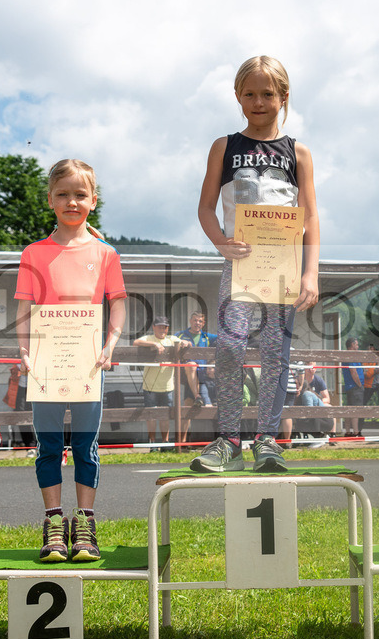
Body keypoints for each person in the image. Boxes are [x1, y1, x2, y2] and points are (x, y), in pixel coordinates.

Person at [189, 54, 320, 473]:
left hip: (282, 265)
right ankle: (228, 439)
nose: (258, 101)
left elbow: (311, 216)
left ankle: (267, 439)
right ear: (237, 96)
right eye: (250, 93)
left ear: (283, 96)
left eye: (268, 93)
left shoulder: (298, 152)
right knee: (228, 346)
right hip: (240, 265)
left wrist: (310, 272)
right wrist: (221, 243)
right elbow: (206, 208)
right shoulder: (224, 146)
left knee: (274, 352)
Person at [15, 158, 127, 563]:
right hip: (45, 365)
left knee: (85, 446)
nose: (71, 201)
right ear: (50, 200)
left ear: (93, 200)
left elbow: (117, 305)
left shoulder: (106, 254)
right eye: (63, 194)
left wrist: (110, 343)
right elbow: (25, 310)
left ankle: (85, 525)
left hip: (87, 366)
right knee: (47, 446)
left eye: (80, 194)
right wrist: (25, 349)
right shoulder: (34, 253)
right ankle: (53, 524)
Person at [133, 316, 191, 449]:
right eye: (159, 326)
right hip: (150, 386)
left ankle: (165, 443)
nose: (162, 329)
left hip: (167, 386)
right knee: (151, 416)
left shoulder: (172, 339)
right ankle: (152, 444)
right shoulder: (149, 338)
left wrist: (185, 344)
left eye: (164, 327)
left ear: (167, 328)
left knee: (165, 416)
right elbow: (135, 342)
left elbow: (188, 343)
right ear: (153, 327)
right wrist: (154, 344)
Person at [175, 311, 216, 443]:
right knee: (187, 409)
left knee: (188, 409)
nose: (197, 323)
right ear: (190, 321)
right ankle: (181, 442)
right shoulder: (182, 334)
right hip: (187, 377)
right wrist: (180, 341)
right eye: (195, 320)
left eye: (200, 321)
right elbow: (171, 339)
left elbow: (224, 339)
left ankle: (183, 442)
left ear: (203, 323)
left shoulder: (207, 337)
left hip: (203, 377)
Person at [294, 362, 335, 439]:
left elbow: (309, 412)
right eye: (308, 368)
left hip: (323, 420)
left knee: (328, 408)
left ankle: (323, 437)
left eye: (297, 384)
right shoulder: (301, 383)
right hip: (316, 416)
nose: (295, 386)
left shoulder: (307, 393)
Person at [341, 337, 364, 437]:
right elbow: (353, 371)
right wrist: (359, 385)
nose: (358, 347)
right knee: (356, 410)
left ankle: (348, 431)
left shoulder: (347, 355)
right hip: (355, 386)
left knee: (349, 409)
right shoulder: (351, 356)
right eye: (357, 344)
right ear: (352, 345)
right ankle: (356, 432)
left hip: (349, 386)